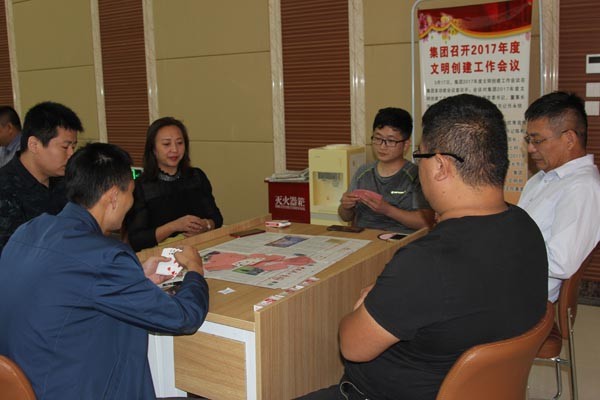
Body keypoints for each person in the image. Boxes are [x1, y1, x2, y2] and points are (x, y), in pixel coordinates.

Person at [299, 94, 548, 400]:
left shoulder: (427, 261)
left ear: (440, 165)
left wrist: (367, 302)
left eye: (420, 156)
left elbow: (352, 346)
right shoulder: (526, 226)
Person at [0, 142, 209, 399]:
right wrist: (195, 271)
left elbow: (68, 287)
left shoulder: (28, 231)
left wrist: (136, 277)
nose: (132, 202)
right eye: (131, 192)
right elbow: (184, 317)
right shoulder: (104, 256)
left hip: (25, 385)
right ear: (113, 196)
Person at [518, 91, 600, 302]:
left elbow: (561, 262)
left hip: (523, 294)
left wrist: (505, 250)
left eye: (537, 140)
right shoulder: (542, 178)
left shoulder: (582, 187)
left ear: (569, 139)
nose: (530, 148)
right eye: (528, 140)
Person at [125, 116, 223, 251]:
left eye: (179, 143)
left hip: (199, 249)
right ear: (153, 149)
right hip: (159, 256)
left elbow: (217, 218)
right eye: (166, 144)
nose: (175, 150)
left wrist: (205, 226)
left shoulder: (196, 176)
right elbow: (137, 240)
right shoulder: (141, 186)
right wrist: (174, 226)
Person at [0, 101, 82, 254]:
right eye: (65, 147)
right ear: (34, 145)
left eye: (73, 147)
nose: (71, 154)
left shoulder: (67, 180)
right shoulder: (5, 189)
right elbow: (12, 254)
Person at [338, 107, 433, 233]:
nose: (382, 146)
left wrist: (388, 210)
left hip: (400, 239)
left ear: (406, 145)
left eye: (390, 141)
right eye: (378, 139)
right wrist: (346, 207)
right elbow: (345, 217)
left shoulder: (416, 175)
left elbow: (426, 222)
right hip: (363, 238)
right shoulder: (363, 172)